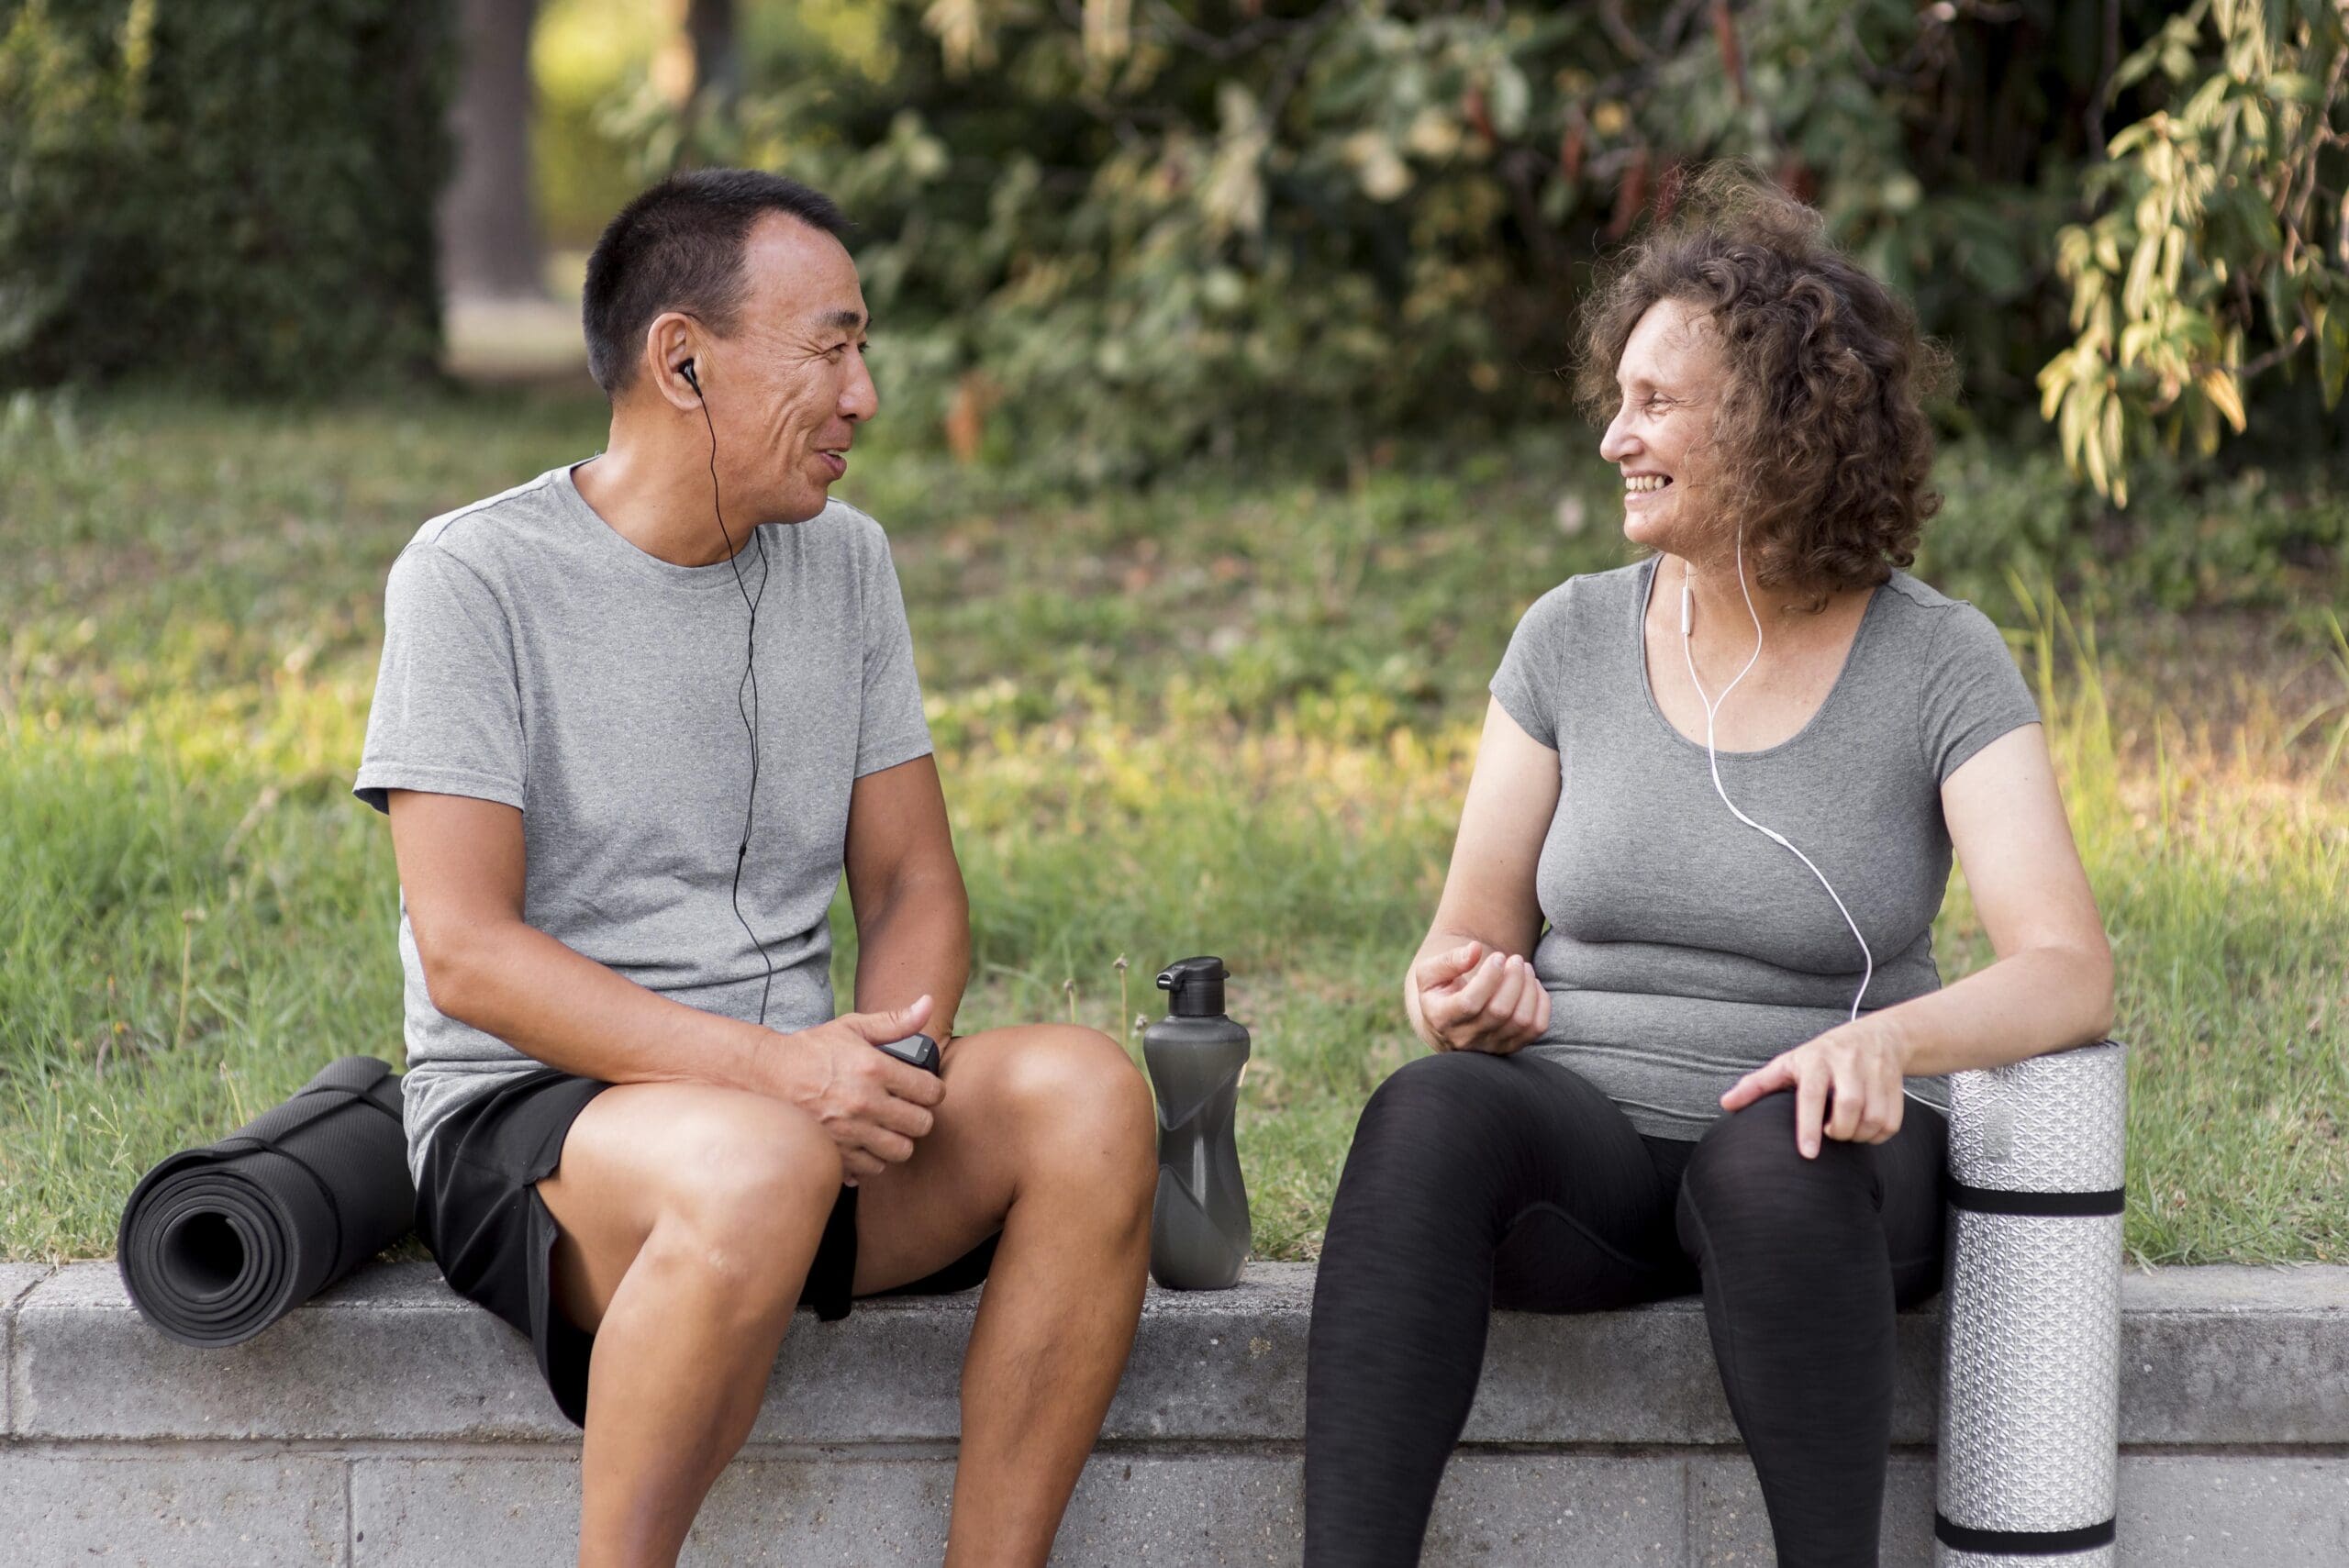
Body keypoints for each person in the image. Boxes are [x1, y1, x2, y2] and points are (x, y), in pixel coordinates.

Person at [1301, 166, 2116, 1567]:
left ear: (1781, 417)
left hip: (1831, 1166)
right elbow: (1456, 948)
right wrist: (1461, 996)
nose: (1615, 437)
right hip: (1593, 1151)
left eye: (1656, 403)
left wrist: (1886, 1042)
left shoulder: (1936, 657)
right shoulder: (1565, 638)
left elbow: (2068, 969)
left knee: (1771, 1148)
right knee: (1427, 1111)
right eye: (1614, 401)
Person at [352, 169, 1156, 1568]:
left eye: (863, 350)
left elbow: (910, 882)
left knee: (1088, 1096)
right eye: (831, 347)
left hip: (804, 1111)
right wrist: (781, 1079)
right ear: (683, 359)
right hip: (539, 1128)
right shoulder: (472, 577)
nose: (866, 397)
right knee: (757, 1160)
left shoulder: (847, 564)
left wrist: (892, 1065)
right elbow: (468, 949)